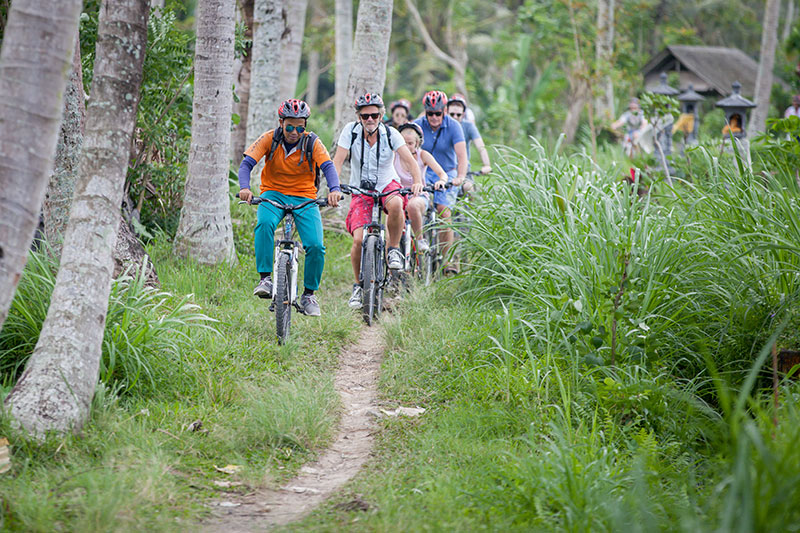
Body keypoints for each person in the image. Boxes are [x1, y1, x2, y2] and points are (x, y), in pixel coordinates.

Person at [238, 98, 342, 317]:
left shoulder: (312, 142)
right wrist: (245, 188)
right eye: (290, 126)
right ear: (281, 122)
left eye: (300, 127)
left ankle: (309, 295)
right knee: (264, 224)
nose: (294, 131)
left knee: (315, 245)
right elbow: (247, 164)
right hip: (273, 193)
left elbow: (328, 166)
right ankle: (265, 279)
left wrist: (334, 189)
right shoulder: (269, 138)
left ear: (305, 126)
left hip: (305, 197)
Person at [332, 93, 423, 308]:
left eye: (374, 115)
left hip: (386, 184)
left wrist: (417, 181)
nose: (370, 119)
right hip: (359, 188)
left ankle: (393, 249)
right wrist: (334, 188)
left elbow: (409, 160)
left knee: (396, 204)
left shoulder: (391, 134)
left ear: (381, 115)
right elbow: (337, 161)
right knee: (358, 240)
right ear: (359, 117)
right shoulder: (350, 132)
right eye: (365, 116)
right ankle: (357, 287)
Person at [413, 90, 468, 275]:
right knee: (416, 207)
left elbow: (462, 156)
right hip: (423, 173)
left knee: (444, 212)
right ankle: (414, 254)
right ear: (425, 112)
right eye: (430, 113)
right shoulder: (417, 126)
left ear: (444, 111)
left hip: (447, 173)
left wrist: (459, 177)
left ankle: (448, 260)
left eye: (438, 113)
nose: (434, 117)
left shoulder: (453, 126)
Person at [395, 122, 449, 251]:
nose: (406, 148)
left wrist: (441, 181)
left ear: (417, 144)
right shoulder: (394, 155)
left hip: (418, 194)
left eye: (410, 144)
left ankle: (419, 239)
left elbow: (442, 174)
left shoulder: (422, 155)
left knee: (412, 206)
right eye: (403, 144)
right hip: (398, 194)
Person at [446, 93, 491, 197]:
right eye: (452, 114)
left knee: (469, 188)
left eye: (458, 115)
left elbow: (481, 147)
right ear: (446, 112)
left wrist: (487, 165)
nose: (455, 117)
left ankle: (469, 212)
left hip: (464, 170)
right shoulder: (441, 126)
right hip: (445, 171)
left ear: (464, 113)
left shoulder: (468, 126)